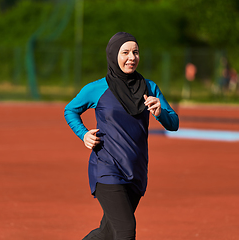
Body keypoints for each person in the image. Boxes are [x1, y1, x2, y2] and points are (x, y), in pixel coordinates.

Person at [64, 32, 179, 240]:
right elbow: (70, 110)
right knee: (126, 230)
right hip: (107, 168)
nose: (131, 57)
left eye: (135, 52)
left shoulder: (150, 87)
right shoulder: (97, 88)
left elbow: (174, 124)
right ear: (113, 55)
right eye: (125, 52)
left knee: (107, 232)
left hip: (136, 170)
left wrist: (161, 112)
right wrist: (83, 135)